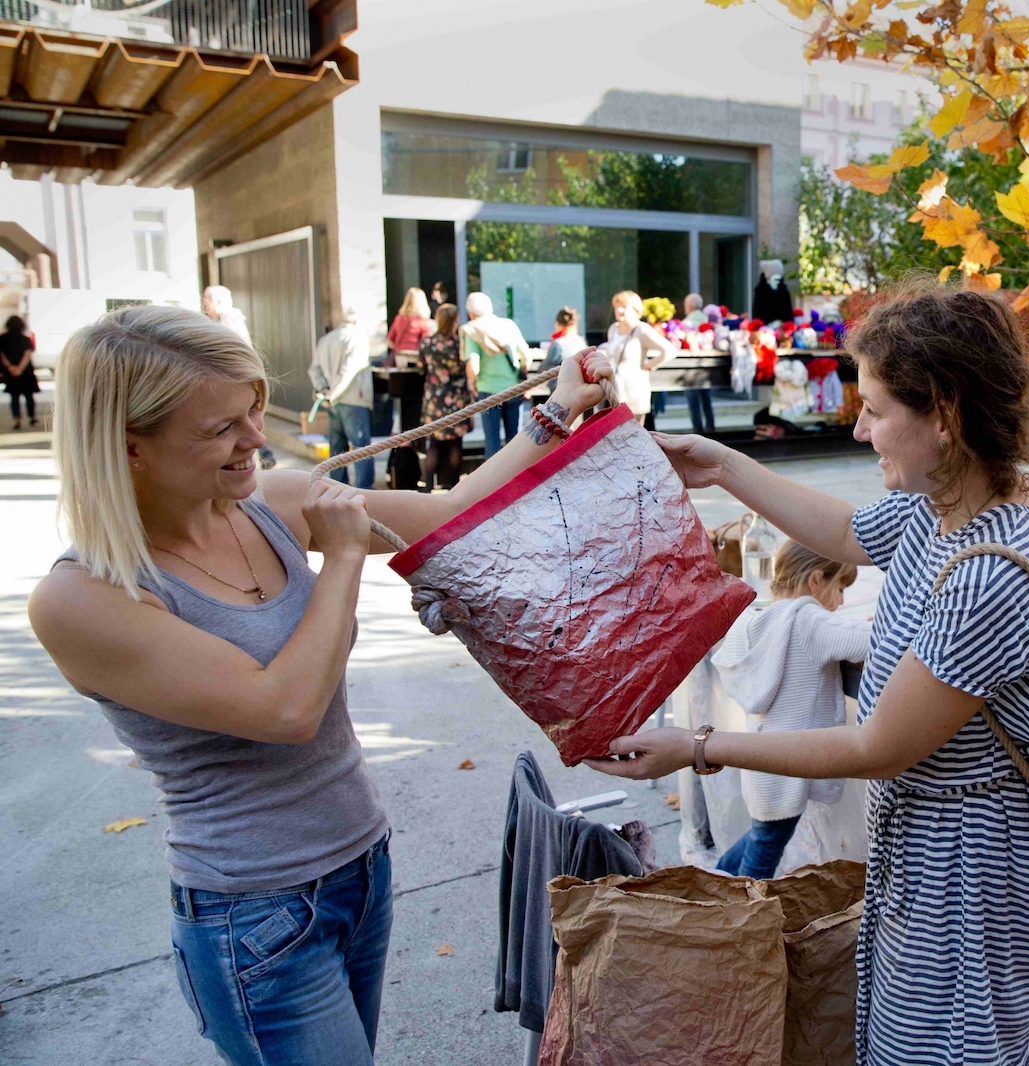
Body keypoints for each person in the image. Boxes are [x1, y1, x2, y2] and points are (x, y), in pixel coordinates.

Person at [27, 304, 612, 1066]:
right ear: (129, 447)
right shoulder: (83, 598)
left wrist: (559, 405)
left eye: (255, 410)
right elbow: (286, 708)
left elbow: (451, 513)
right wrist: (339, 560)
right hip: (255, 912)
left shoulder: (267, 502)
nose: (255, 441)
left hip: (361, 868)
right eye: (220, 429)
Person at [590, 281, 1029, 1066]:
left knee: (938, 1052)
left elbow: (871, 748)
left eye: (877, 410)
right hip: (928, 844)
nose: (858, 428)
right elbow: (848, 531)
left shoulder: (991, 574)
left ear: (944, 417)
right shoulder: (941, 503)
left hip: (965, 871)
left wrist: (698, 746)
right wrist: (722, 465)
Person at [710, 542, 871, 879]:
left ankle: (712, 882)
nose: (840, 601)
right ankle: (739, 915)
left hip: (762, 763)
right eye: (840, 587)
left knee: (762, 835)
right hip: (787, 769)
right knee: (764, 853)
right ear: (815, 580)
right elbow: (870, 640)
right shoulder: (806, 620)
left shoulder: (755, 619)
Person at [202, 287, 274, 469]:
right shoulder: (220, 320)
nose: (204, 304)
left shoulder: (229, 320)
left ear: (217, 301)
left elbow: (236, 359)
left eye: (206, 300)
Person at [310, 307, 376, 490]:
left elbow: (314, 369)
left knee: (337, 448)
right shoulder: (357, 338)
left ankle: (336, 488)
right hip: (352, 399)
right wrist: (334, 392)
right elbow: (349, 371)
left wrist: (324, 388)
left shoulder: (327, 339)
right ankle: (365, 490)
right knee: (361, 448)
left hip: (332, 399)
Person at [460, 292, 531, 459]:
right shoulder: (508, 325)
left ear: (470, 312)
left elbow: (473, 364)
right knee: (514, 439)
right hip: (513, 387)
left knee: (492, 440)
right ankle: (517, 476)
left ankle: (494, 482)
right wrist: (521, 374)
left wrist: (472, 382)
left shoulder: (472, 329)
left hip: (488, 389)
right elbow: (526, 355)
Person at [420, 303, 471, 492]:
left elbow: (421, 367)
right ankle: (454, 486)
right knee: (455, 444)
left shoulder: (427, 343)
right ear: (455, 321)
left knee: (433, 443)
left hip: (435, 398)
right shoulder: (460, 343)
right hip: (457, 397)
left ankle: (428, 486)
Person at [606, 290, 674, 426]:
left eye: (624, 306)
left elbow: (669, 350)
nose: (619, 310)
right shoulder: (613, 329)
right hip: (612, 392)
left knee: (631, 438)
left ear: (635, 309)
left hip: (632, 393)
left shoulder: (641, 329)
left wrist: (650, 364)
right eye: (617, 307)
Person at [381, 288, 437, 438]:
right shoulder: (423, 322)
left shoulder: (400, 319)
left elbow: (389, 340)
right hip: (418, 362)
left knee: (402, 404)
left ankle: (400, 433)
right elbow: (427, 343)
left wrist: (401, 348)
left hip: (400, 361)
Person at [680, 293, 716, 434]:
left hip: (691, 367)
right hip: (707, 367)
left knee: (693, 403)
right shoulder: (708, 320)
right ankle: (711, 431)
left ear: (688, 306)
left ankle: (698, 432)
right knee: (707, 401)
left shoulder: (685, 324)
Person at [2, 315, 40, 429]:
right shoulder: (25, 339)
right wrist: (20, 369)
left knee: (14, 397)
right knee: (29, 395)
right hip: (25, 372)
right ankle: (31, 417)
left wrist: (10, 367)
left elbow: (2, 355)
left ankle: (17, 419)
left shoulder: (2, 338)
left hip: (11, 372)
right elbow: (27, 355)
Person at [542, 306, 586, 373]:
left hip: (561, 382)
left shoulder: (558, 344)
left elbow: (544, 368)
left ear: (557, 324)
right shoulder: (581, 342)